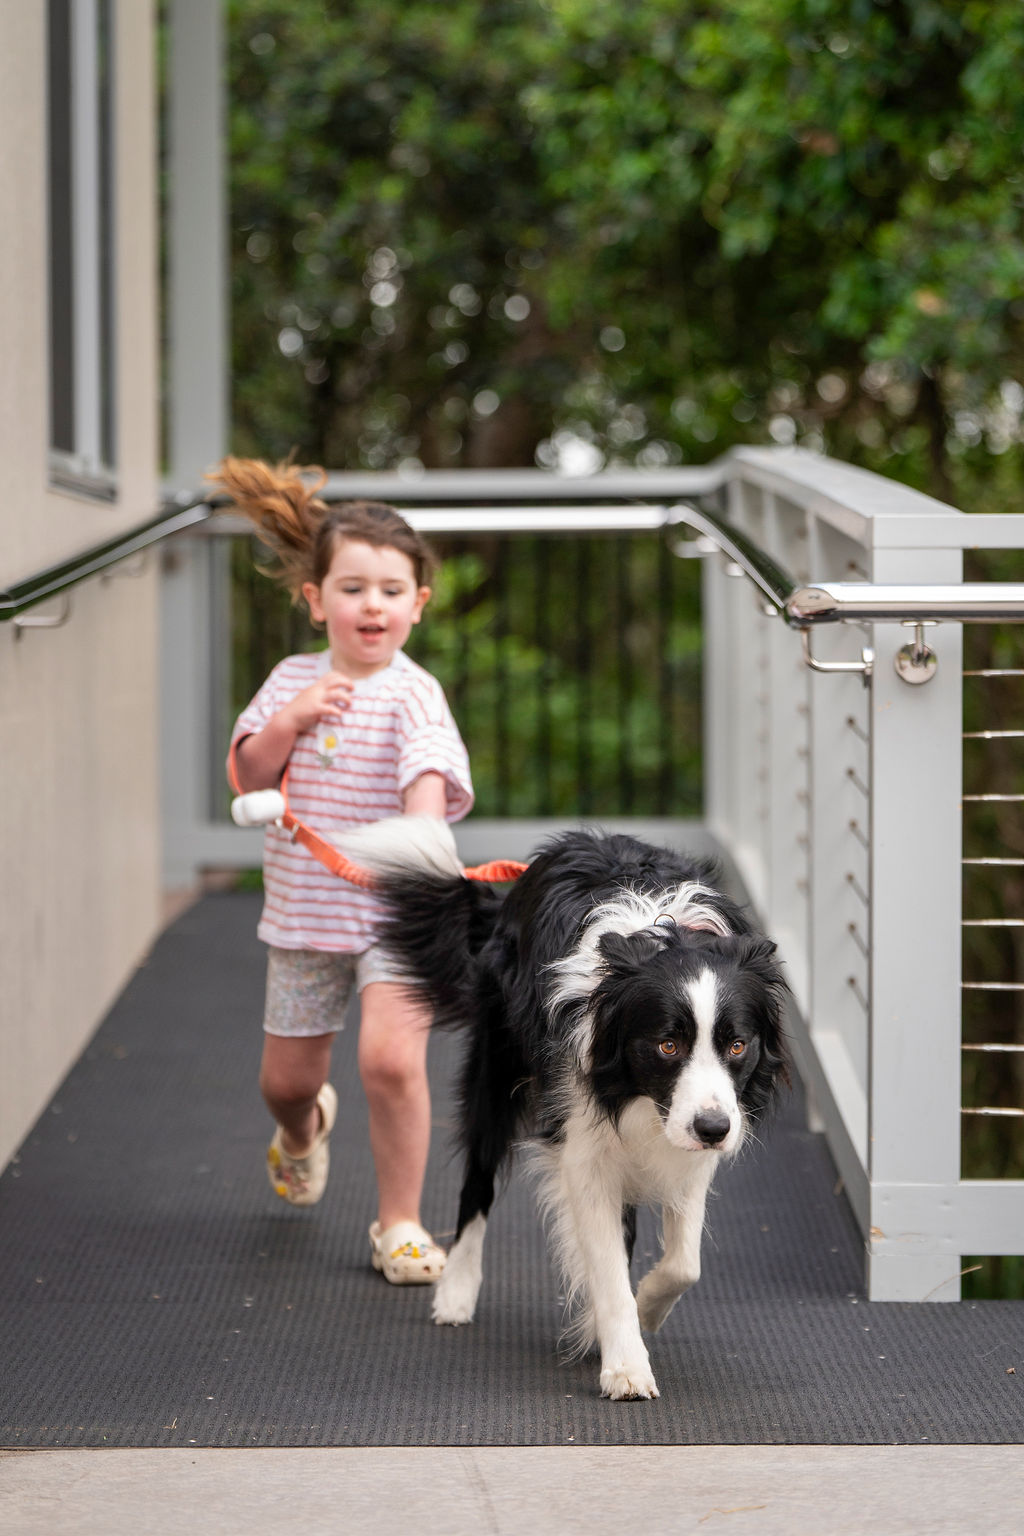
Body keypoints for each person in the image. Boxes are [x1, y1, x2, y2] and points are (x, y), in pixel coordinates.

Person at [213, 456, 473, 1285]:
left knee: (393, 1062)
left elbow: (427, 784)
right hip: (305, 917)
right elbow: (249, 777)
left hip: (396, 917)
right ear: (315, 599)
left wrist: (423, 840)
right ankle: (303, 1131)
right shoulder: (292, 680)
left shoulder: (415, 695)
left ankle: (400, 1223)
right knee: (287, 1084)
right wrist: (289, 721)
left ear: (418, 604)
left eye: (391, 590)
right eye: (353, 588)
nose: (372, 605)